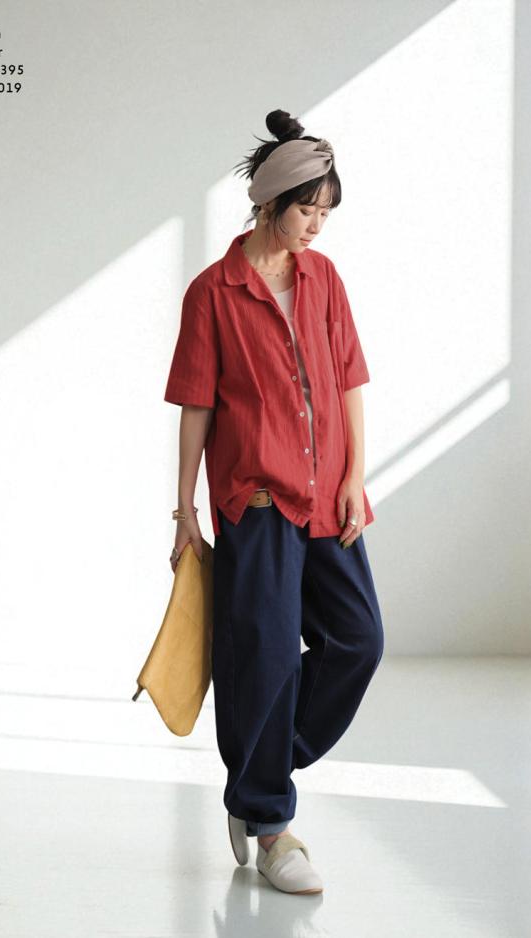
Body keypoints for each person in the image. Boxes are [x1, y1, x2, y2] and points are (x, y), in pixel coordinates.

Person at [163, 109, 385, 895]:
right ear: (269, 203)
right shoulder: (212, 294)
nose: (317, 226)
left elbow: (350, 378)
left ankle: (258, 774)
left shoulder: (324, 281)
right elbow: (196, 405)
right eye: (307, 210)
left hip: (328, 497)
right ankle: (271, 828)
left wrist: (356, 476)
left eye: (326, 212)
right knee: (263, 659)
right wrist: (186, 510)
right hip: (254, 501)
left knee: (358, 640)